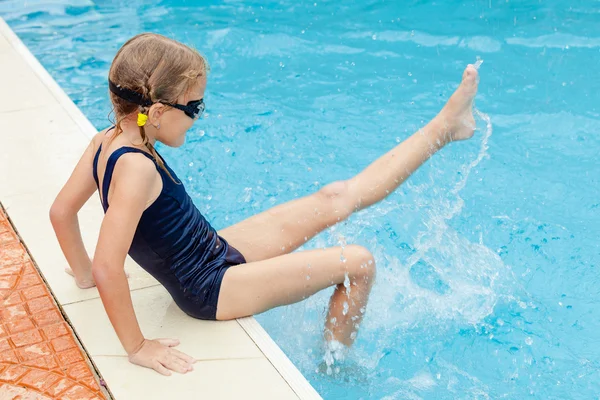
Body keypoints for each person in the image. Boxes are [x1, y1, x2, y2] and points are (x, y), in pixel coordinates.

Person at [50, 33, 479, 376]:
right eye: (195, 106)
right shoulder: (136, 169)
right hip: (208, 289)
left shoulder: (104, 142)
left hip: (210, 253)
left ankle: (445, 125)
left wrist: (82, 275)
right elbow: (110, 265)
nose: (199, 116)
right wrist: (137, 346)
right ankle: (336, 370)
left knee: (333, 197)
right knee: (360, 264)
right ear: (158, 111)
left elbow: (61, 212)